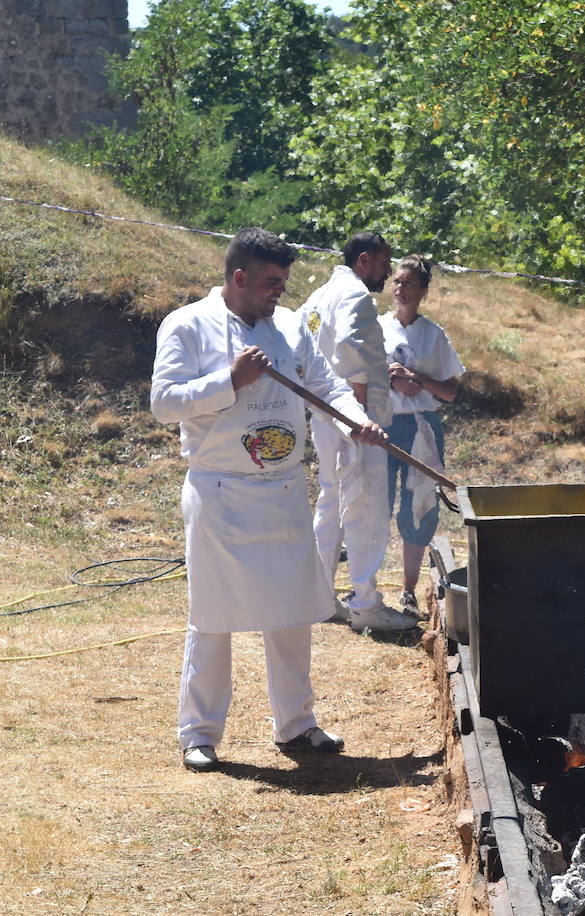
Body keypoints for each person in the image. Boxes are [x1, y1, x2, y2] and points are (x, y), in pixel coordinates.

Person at [149, 227, 387, 772]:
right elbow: (164, 402)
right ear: (238, 277)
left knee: (292, 613)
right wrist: (228, 378)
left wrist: (359, 423)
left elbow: (326, 386)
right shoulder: (187, 325)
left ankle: (297, 725)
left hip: (282, 491)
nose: (279, 292)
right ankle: (200, 734)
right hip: (221, 490)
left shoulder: (288, 326)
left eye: (283, 282)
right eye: (271, 282)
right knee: (212, 616)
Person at [299, 231, 415, 634]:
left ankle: (318, 596)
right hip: (355, 418)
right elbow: (348, 344)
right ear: (364, 261)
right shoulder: (356, 297)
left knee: (332, 501)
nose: (386, 273)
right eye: (384, 264)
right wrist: (359, 404)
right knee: (365, 505)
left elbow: (304, 346)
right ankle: (365, 603)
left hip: (325, 414)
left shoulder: (318, 297)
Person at [379, 254, 465, 612]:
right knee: (374, 503)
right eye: (397, 281)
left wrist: (418, 379)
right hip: (381, 425)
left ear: (423, 292)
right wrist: (390, 376)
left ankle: (408, 590)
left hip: (421, 428)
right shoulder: (375, 327)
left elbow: (451, 391)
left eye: (409, 283)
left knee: (419, 505)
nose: (400, 288)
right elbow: (355, 376)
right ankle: (364, 589)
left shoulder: (433, 335)